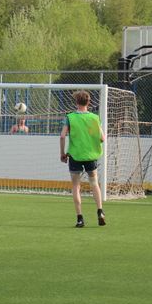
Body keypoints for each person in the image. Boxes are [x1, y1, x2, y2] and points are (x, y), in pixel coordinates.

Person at [59, 90, 106, 227]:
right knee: (94, 183)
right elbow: (102, 138)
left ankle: (80, 218)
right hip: (90, 156)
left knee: (76, 186)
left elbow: (62, 136)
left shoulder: (70, 117)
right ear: (89, 102)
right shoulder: (94, 118)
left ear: (76, 102)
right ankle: (100, 211)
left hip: (75, 155)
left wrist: (62, 153)